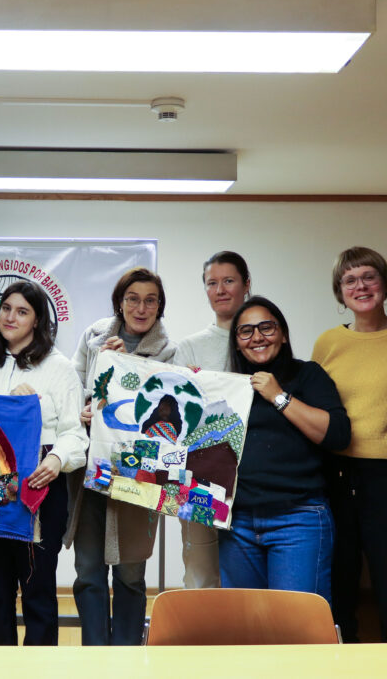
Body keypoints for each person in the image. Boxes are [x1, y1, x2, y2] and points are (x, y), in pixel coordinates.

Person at [0, 280, 87, 645]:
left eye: (22, 311)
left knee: (38, 594)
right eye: (6, 308)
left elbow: (75, 432)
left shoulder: (58, 368)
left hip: (40, 489)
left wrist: (59, 459)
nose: (11, 317)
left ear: (37, 321)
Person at [311, 247, 387, 643]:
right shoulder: (327, 343)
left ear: (386, 284)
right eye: (350, 280)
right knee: (337, 580)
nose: (361, 286)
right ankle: (342, 661)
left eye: (369, 276)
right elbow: (316, 409)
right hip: (334, 474)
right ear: (340, 293)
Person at [67, 267, 176, 646]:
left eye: (151, 300)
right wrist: (81, 409)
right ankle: (96, 654)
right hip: (90, 471)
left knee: (131, 572)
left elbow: (166, 413)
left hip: (139, 475)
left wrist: (128, 363)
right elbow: (73, 387)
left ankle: (128, 654)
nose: (141, 308)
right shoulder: (94, 336)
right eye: (133, 298)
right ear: (120, 301)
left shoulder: (169, 350)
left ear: (160, 306)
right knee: (88, 569)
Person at [219, 296, 349, 602]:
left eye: (267, 327)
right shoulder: (229, 386)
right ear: (237, 343)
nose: (257, 337)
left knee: (298, 628)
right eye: (246, 331)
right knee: (245, 627)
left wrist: (279, 396)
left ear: (283, 334)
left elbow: (338, 435)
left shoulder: (308, 375)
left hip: (298, 518)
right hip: (236, 523)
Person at [173, 250, 251, 589]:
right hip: (201, 475)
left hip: (253, 475)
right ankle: (201, 641)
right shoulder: (190, 348)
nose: (220, 290)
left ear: (247, 285)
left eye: (229, 281)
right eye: (212, 283)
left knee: (245, 573)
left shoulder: (263, 337)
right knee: (201, 570)